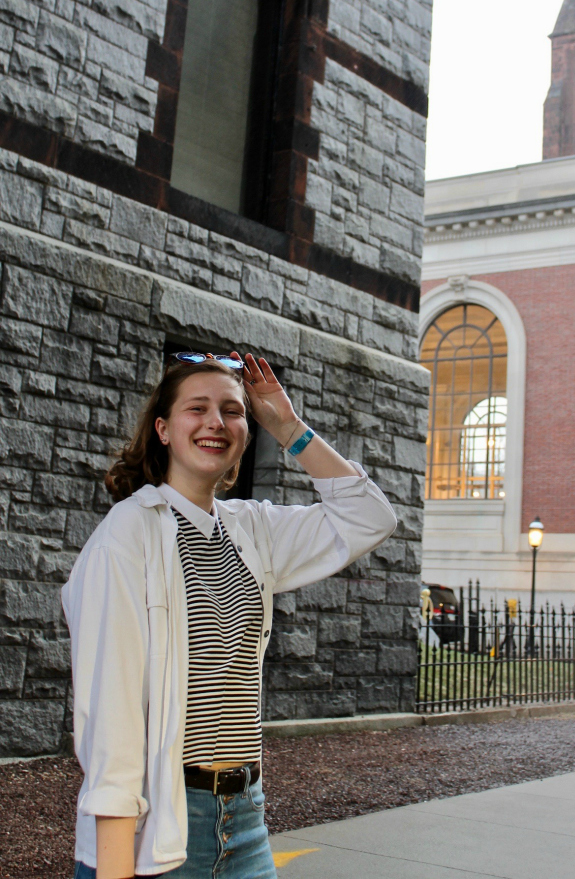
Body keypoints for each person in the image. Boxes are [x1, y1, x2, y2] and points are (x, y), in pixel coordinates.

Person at [62, 350, 397, 879]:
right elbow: (111, 714)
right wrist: (114, 865)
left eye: (232, 410)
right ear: (164, 429)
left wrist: (288, 427)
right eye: (197, 408)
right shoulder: (129, 535)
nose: (216, 421)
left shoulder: (251, 529)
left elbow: (370, 518)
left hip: (246, 819)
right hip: (164, 828)